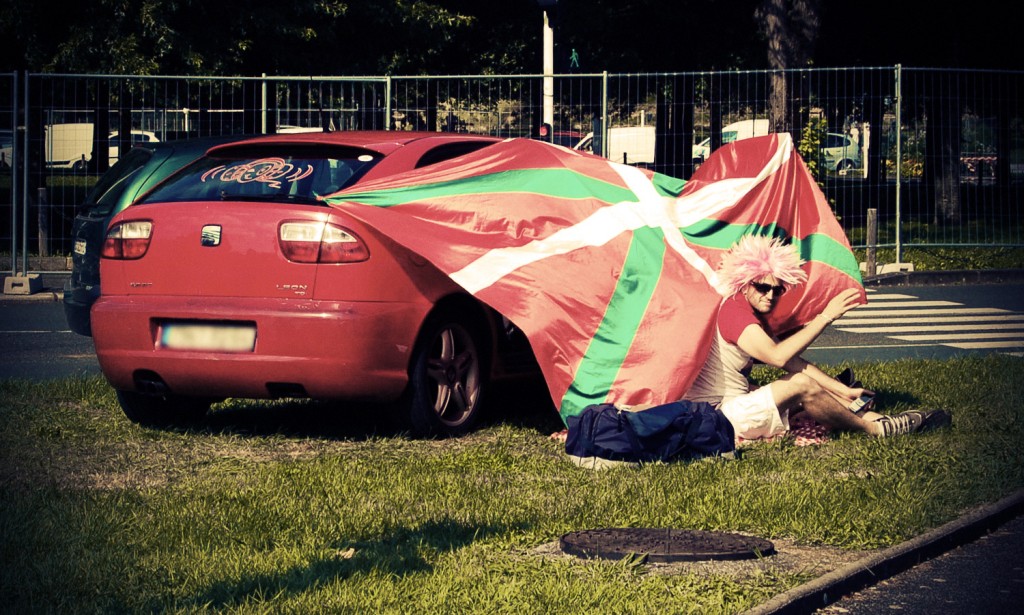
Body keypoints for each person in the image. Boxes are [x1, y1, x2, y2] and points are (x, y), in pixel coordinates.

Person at [684, 234, 949, 443]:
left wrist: (841, 389)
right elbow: (778, 357)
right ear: (744, 282)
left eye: (778, 289)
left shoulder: (746, 309)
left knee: (814, 390)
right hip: (721, 416)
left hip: (730, 407)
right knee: (800, 385)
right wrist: (825, 317)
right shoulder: (734, 312)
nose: (770, 295)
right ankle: (875, 430)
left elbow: (793, 361)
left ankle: (890, 421)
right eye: (762, 287)